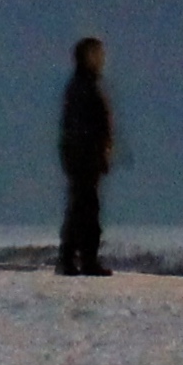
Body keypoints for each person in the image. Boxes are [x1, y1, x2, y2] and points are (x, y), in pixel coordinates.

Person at [56, 36, 116, 276]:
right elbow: (81, 128)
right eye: (98, 54)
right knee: (84, 209)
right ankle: (79, 260)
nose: (103, 58)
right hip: (83, 159)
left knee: (82, 208)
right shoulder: (82, 87)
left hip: (82, 158)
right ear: (87, 56)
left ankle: (74, 259)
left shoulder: (84, 85)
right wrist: (94, 153)